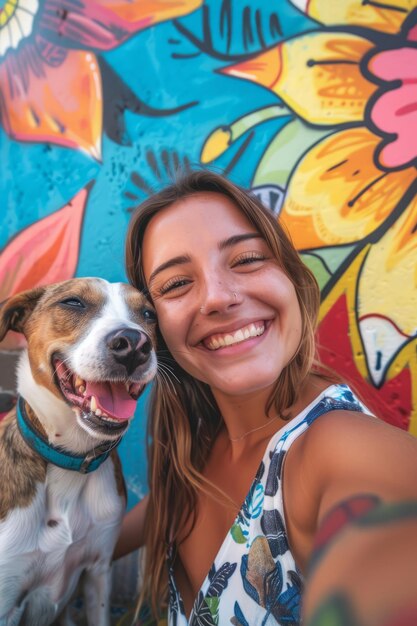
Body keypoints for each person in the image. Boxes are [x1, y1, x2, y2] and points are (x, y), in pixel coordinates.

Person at [117, 169, 417, 626]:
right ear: (155, 329)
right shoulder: (191, 464)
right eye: (176, 284)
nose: (217, 298)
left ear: (292, 280)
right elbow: (85, 539)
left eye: (247, 259)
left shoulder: (342, 448)